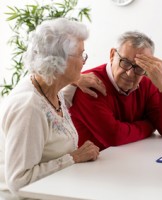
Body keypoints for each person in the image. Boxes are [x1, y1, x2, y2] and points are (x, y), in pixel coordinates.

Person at [0, 18, 100, 198]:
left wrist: (75, 81)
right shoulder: (28, 107)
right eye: (81, 54)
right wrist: (74, 158)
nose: (84, 62)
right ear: (59, 61)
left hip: (54, 190)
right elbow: (18, 182)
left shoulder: (51, 87)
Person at [68, 31, 162, 150]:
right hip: (89, 165)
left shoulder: (146, 83)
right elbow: (114, 136)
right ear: (112, 55)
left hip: (128, 158)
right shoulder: (89, 84)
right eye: (126, 62)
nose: (130, 73)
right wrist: (150, 125)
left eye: (139, 67)